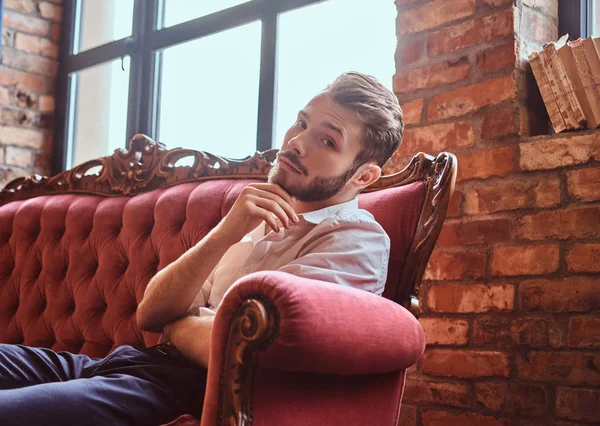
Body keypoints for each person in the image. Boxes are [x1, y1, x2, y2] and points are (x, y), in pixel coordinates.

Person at [0, 72, 404, 426]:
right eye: (300, 123)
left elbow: (243, 352)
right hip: (123, 363)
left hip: (176, 390)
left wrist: (178, 327)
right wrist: (228, 230)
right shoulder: (256, 213)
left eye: (327, 141)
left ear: (364, 176)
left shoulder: (356, 242)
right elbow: (151, 313)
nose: (296, 143)